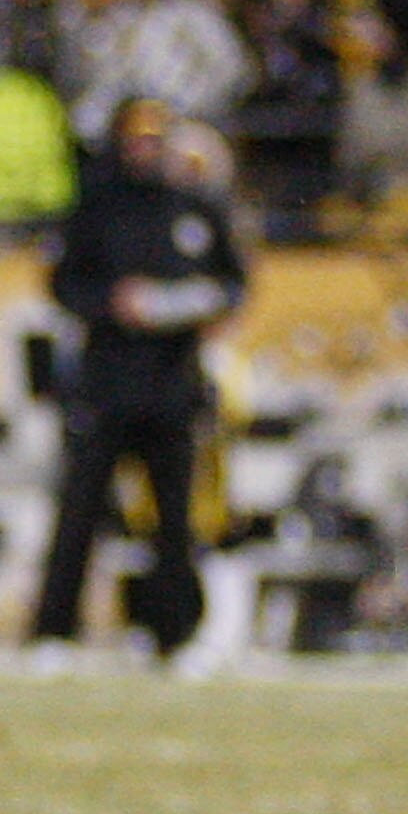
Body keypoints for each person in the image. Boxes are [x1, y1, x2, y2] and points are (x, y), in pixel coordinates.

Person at [30, 97, 246, 660]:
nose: (145, 151)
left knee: (174, 521)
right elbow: (63, 284)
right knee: (79, 513)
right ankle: (54, 631)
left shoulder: (195, 207)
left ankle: (173, 633)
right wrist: (111, 304)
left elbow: (234, 282)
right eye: (136, 140)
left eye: (155, 140)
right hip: (106, 382)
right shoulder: (97, 208)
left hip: (173, 383)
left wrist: (196, 303)